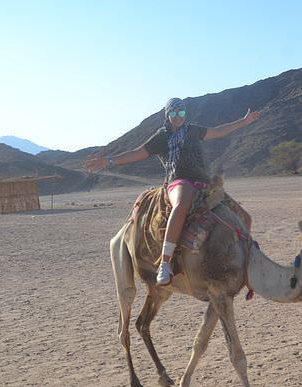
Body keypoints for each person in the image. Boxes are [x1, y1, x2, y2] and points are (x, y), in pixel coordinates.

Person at [85, 98, 260, 285]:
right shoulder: (161, 137)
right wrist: (108, 161)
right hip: (178, 181)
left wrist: (244, 121)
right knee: (181, 205)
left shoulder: (193, 130)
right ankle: (165, 263)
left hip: (203, 182)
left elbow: (218, 131)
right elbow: (138, 153)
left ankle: (245, 258)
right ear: (168, 116)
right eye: (174, 113)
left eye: (181, 113)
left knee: (245, 217)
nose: (178, 117)